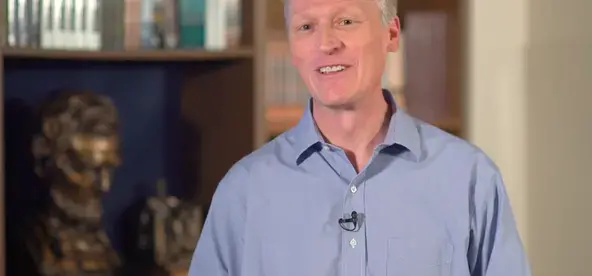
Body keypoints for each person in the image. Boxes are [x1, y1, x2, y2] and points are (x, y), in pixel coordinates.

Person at [188, 0, 531, 275]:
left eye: (345, 22)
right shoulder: (245, 191)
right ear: (293, 49)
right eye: (306, 27)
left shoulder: (469, 178)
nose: (326, 43)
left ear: (392, 34)